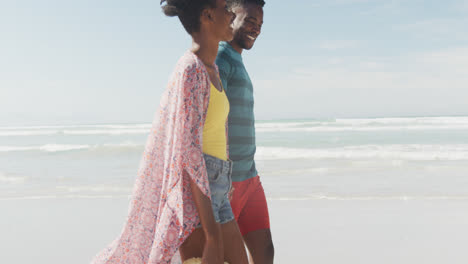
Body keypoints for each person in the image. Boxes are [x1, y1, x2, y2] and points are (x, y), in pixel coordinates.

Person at [91, 0, 248, 263]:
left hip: (218, 188)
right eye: (226, 9)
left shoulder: (213, 69)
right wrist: (211, 233)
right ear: (208, 15)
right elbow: (188, 151)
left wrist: (226, 178)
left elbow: (215, 130)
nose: (232, 15)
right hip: (197, 197)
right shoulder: (190, 69)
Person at [215, 0, 274, 263]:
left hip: (250, 177)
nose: (256, 28)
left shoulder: (236, 58)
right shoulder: (220, 57)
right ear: (230, 17)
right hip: (228, 182)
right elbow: (210, 120)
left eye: (259, 24)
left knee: (265, 252)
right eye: (250, 20)